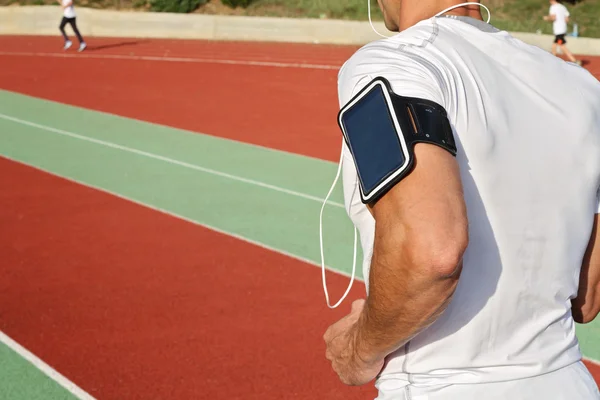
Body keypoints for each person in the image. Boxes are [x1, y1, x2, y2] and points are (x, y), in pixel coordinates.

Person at [323, 0, 600, 399]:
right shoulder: (582, 87)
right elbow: (587, 298)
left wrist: (357, 350)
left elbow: (430, 254)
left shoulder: (394, 63)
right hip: (568, 383)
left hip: (442, 385)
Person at [544, 0, 581, 65]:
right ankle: (553, 60)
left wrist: (547, 18)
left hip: (558, 30)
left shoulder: (553, 7)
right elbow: (567, 19)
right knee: (554, 45)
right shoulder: (563, 7)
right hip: (563, 29)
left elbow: (553, 17)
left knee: (561, 45)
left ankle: (574, 61)